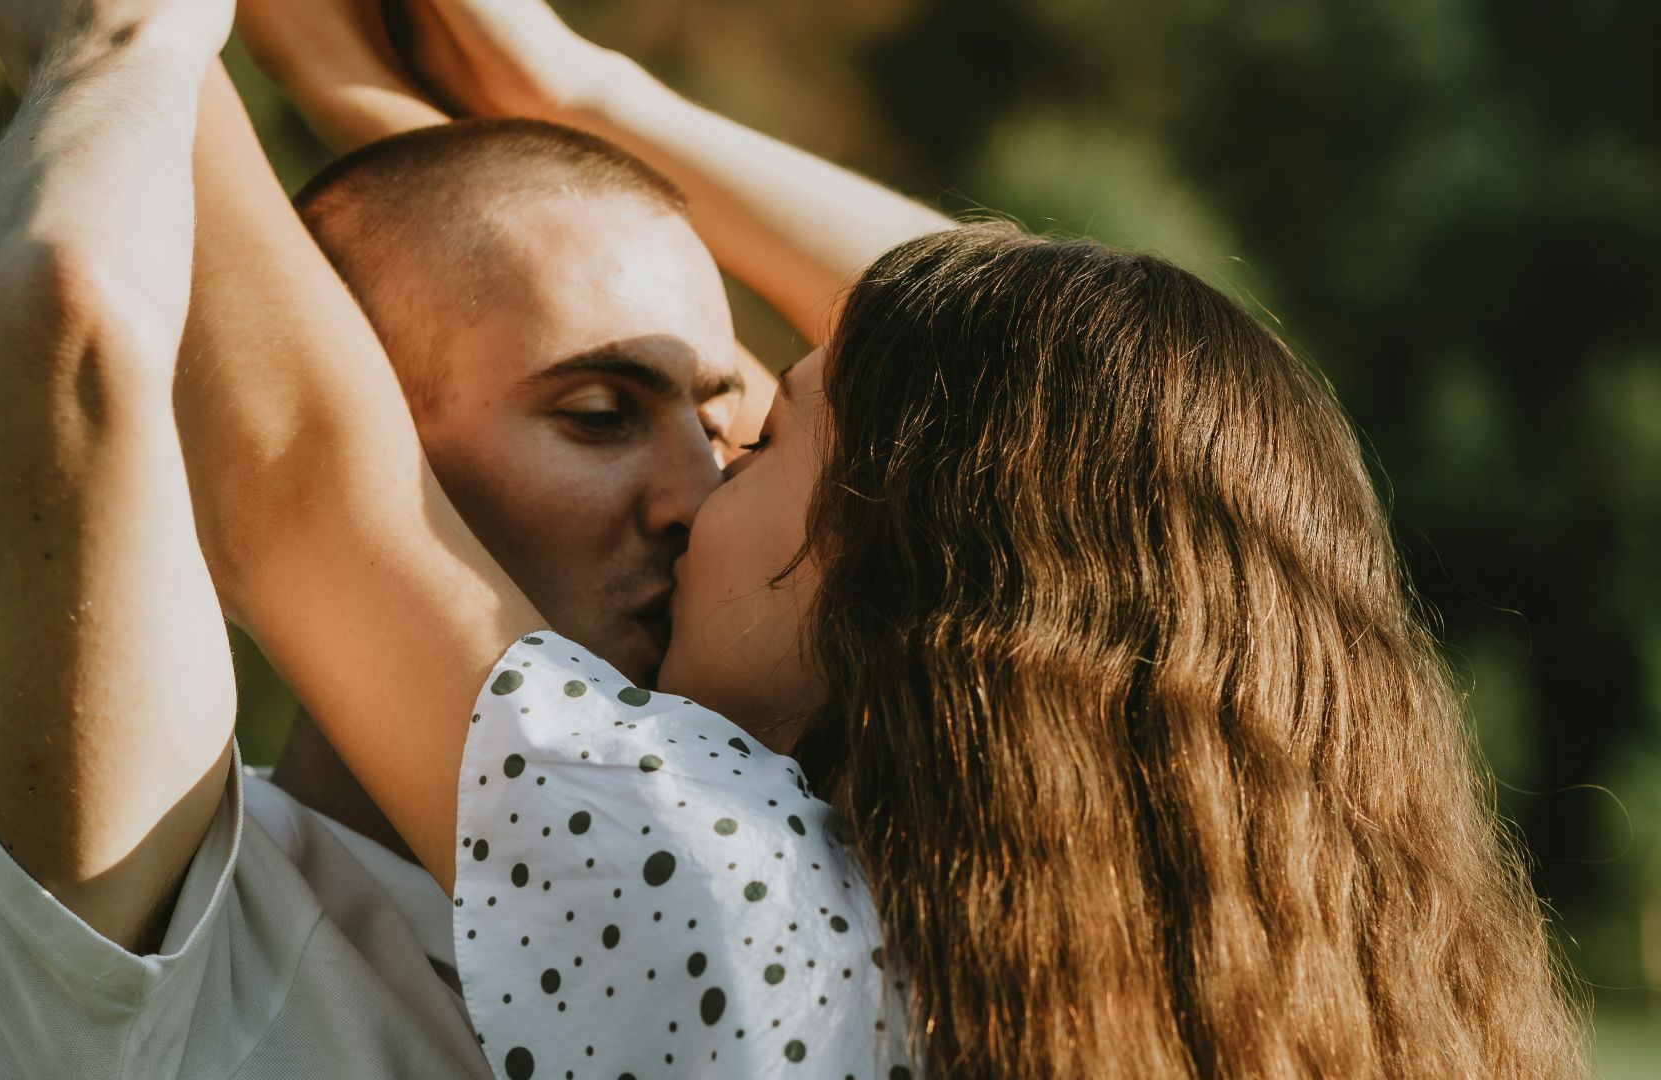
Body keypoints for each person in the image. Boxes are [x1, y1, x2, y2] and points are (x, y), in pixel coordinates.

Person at [180, 1, 1590, 1076]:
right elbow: (1123, 452)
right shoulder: (1251, 965)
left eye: (761, 436)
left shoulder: (721, 887)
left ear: (879, 572)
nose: (694, 487)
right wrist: (569, 93)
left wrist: (147, 57)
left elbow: (298, 475)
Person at [0, 0, 947, 1076]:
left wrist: (123, 45)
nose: (701, 497)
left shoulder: (817, 852)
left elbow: (1052, 446)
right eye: (599, 416)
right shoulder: (174, 874)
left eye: (731, 425)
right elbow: (73, 305)